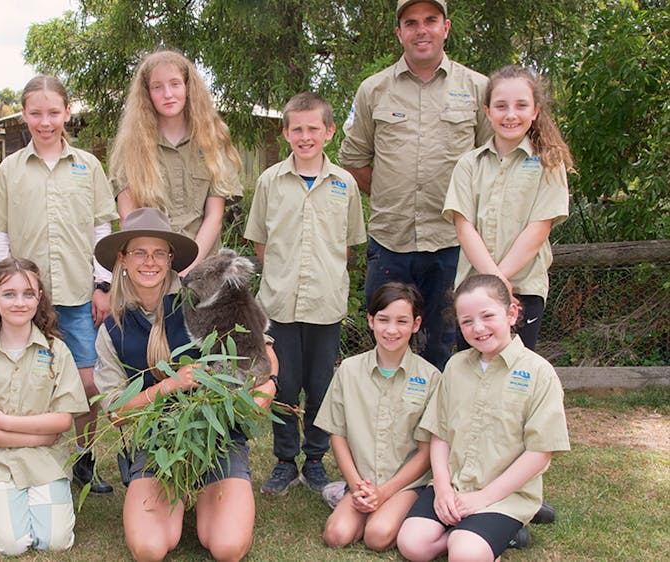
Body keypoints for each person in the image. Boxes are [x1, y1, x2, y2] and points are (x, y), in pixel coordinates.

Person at [93, 208, 278, 562]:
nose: (150, 262)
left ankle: (210, 491)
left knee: (227, 546)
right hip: (158, 442)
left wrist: (269, 383)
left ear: (170, 258)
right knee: (150, 548)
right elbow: (116, 413)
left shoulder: (204, 297)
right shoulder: (113, 330)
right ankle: (167, 490)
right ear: (123, 258)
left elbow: (262, 346)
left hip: (218, 437)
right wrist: (168, 387)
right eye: (139, 252)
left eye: (158, 252)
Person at [0, 75, 119, 494]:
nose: (45, 122)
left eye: (53, 113)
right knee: (29, 379)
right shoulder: (9, 169)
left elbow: (101, 227)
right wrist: (7, 289)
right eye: (36, 113)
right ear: (24, 114)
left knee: (87, 382)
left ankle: (84, 458)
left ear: (67, 113)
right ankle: (33, 455)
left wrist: (104, 284)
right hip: (27, 299)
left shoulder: (87, 167)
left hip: (79, 294)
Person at [339, 0, 493, 371]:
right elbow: (354, 157)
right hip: (390, 242)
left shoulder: (477, 88)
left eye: (430, 21)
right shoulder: (373, 90)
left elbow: (493, 163)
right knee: (388, 341)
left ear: (446, 27)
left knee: (442, 345)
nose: (421, 30)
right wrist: (390, 195)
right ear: (399, 33)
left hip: (450, 244)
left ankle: (434, 427)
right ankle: (386, 426)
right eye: (411, 23)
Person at [396, 274, 570, 562]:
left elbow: (540, 452)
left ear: (511, 313)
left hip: (502, 495)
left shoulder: (539, 373)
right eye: (466, 321)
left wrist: (482, 499)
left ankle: (487, 534)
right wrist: (441, 488)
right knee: (413, 546)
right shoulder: (454, 367)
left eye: (487, 316)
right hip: (453, 485)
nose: (478, 328)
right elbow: (439, 433)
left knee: (465, 555)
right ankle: (480, 535)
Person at [244, 92, 367, 495]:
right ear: (285, 133)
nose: (305, 135)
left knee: (320, 386)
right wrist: (283, 275)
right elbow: (261, 242)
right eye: (297, 128)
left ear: (329, 133)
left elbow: (347, 244)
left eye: (314, 128)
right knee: (282, 384)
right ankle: (284, 460)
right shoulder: (270, 182)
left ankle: (315, 459)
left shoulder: (344, 184)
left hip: (325, 305)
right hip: (279, 304)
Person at [0, 258, 89, 556]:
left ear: (39, 298)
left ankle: (26, 504)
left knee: (56, 541)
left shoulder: (55, 351)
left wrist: (3, 421)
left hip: (46, 460)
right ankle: (1, 501)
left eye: (28, 293)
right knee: (10, 546)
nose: (19, 302)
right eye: (9, 294)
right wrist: (38, 435)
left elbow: (63, 421)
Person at [444, 65, 573, 350]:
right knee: (473, 372)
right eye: (501, 106)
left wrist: (502, 287)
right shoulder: (468, 165)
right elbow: (464, 227)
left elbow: (538, 228)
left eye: (521, 105)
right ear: (488, 112)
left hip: (523, 290)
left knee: (514, 375)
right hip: (473, 290)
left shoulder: (548, 163)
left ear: (535, 111)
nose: (511, 114)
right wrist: (495, 285)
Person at [314, 282, 440, 551]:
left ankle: (408, 512)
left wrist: (384, 492)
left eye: (401, 321)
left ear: (416, 324)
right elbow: (338, 434)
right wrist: (356, 485)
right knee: (335, 535)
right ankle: (351, 496)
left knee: (377, 537)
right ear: (371, 321)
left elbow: (426, 451)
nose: (391, 330)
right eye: (383, 320)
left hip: (405, 484)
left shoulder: (430, 378)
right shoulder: (348, 371)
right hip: (362, 480)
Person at [109, 49, 244, 273]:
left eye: (175, 84)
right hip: (150, 270)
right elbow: (128, 218)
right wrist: (158, 266)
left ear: (188, 87)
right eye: (157, 87)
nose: (168, 94)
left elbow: (214, 217)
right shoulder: (130, 148)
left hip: (203, 273)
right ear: (147, 93)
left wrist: (188, 268)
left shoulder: (212, 142)